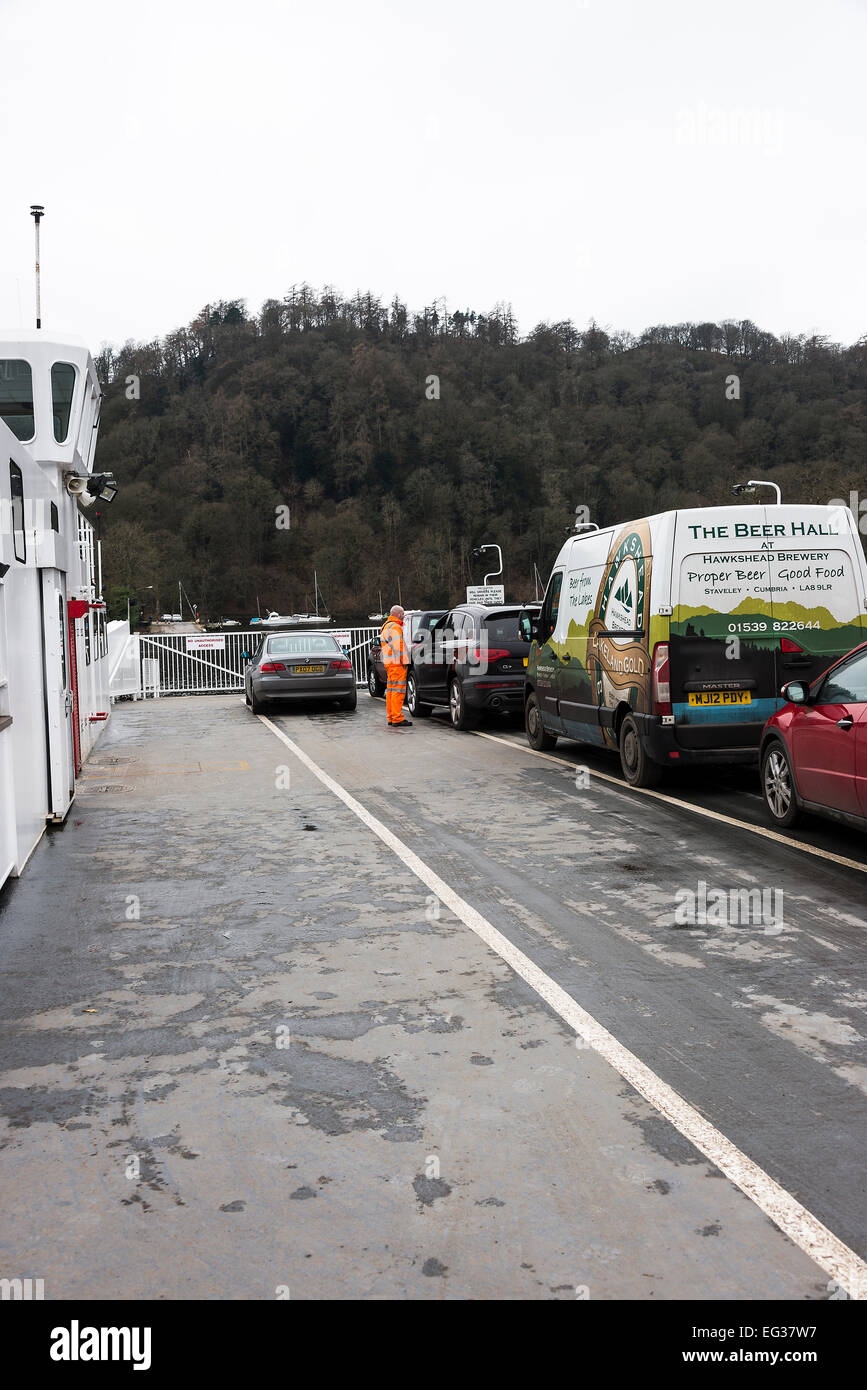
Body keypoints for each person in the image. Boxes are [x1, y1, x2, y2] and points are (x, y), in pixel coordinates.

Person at [380, 605, 412, 729]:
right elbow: (399, 647)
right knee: (398, 691)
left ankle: (391, 716)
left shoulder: (386, 626)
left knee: (391, 691)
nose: (404, 616)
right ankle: (397, 718)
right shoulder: (396, 627)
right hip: (397, 664)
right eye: (403, 614)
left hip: (389, 663)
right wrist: (405, 662)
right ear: (398, 614)